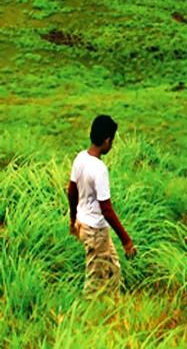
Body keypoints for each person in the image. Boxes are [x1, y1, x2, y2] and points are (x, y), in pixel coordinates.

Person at [67, 115, 136, 295]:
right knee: (94, 283)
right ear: (106, 140)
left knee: (113, 269)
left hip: (85, 225)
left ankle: (111, 309)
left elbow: (71, 191)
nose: (112, 145)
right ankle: (86, 317)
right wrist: (126, 240)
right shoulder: (99, 169)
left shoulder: (80, 158)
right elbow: (106, 209)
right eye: (112, 140)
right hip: (95, 231)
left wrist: (73, 219)